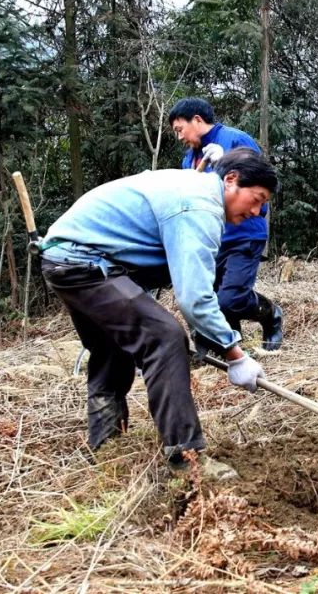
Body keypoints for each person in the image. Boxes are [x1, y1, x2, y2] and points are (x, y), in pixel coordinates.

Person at [39, 148, 277, 474]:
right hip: (86, 263)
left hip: (65, 259)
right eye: (257, 198)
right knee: (165, 339)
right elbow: (194, 298)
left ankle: (107, 448)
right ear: (231, 180)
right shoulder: (199, 206)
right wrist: (236, 355)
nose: (257, 211)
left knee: (112, 349)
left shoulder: (194, 190)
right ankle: (188, 459)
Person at [168, 98, 285, 351]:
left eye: (180, 129)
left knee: (230, 299)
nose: (179, 137)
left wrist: (223, 165)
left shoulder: (235, 140)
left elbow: (260, 188)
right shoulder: (190, 159)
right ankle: (232, 347)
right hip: (211, 238)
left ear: (197, 120)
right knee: (213, 298)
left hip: (244, 234)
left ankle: (271, 314)